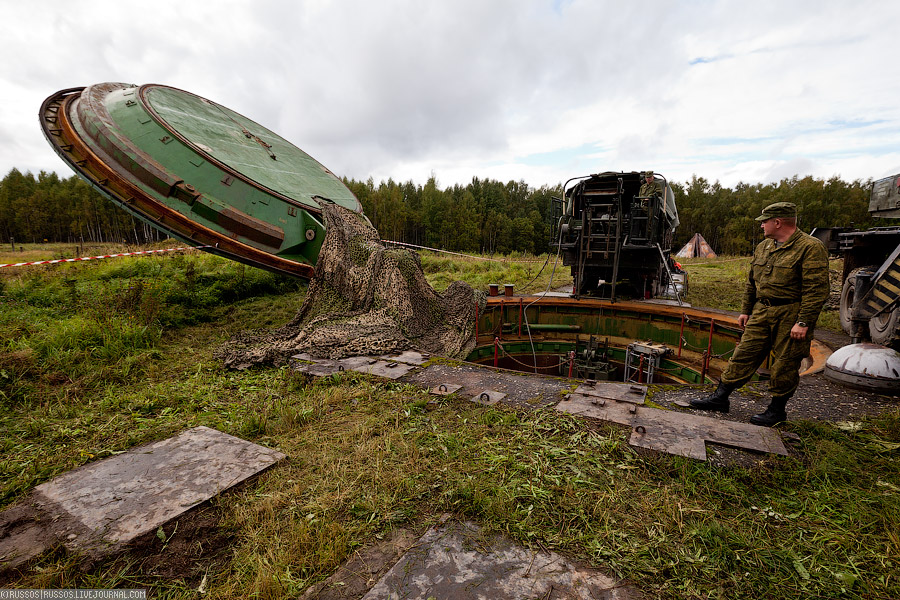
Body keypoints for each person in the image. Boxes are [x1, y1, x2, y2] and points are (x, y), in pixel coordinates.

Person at [689, 202, 830, 426]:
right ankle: (720, 398)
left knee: (785, 363)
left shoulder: (809, 247)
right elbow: (752, 283)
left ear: (778, 222)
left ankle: (776, 411)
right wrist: (746, 310)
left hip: (790, 313)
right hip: (761, 311)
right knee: (744, 353)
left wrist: (803, 322)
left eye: (765, 221)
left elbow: (817, 289)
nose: (762, 225)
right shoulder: (764, 246)